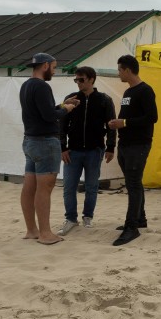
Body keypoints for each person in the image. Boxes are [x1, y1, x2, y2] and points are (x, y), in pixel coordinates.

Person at [18, 52, 79, 245]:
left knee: (30, 187)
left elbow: (42, 111)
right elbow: (49, 116)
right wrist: (67, 110)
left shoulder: (26, 85)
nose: (54, 70)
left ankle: (32, 230)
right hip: (45, 142)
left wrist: (61, 105)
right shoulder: (42, 86)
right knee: (44, 189)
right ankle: (45, 233)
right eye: (53, 67)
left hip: (30, 140)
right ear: (45, 66)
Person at [57, 66, 116, 235]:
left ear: (91, 79)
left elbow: (111, 125)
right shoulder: (71, 99)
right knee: (69, 186)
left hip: (94, 150)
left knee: (91, 186)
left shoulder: (104, 100)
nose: (78, 83)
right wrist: (63, 147)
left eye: (81, 79)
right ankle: (70, 219)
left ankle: (87, 217)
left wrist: (111, 147)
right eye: (76, 79)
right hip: (73, 151)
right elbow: (61, 124)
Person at [106, 54, 158, 246]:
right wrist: (116, 124)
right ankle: (140, 219)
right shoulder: (128, 93)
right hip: (126, 144)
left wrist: (124, 122)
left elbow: (152, 117)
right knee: (133, 183)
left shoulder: (145, 91)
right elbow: (125, 117)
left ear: (127, 70)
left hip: (139, 144)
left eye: (120, 69)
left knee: (134, 184)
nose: (118, 73)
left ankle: (131, 228)